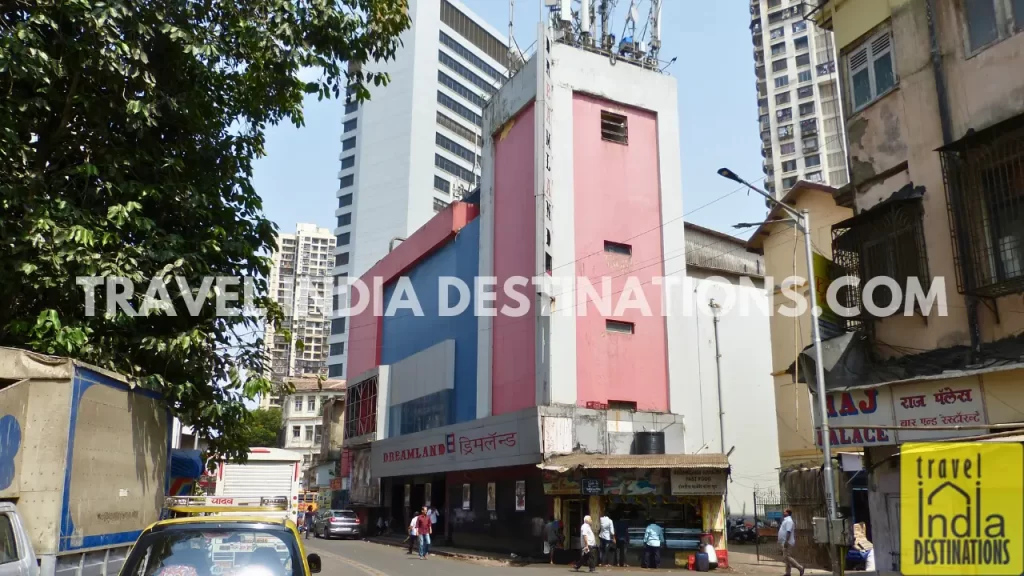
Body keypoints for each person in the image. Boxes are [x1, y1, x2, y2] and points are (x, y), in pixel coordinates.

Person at [778, 509, 804, 576]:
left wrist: (786, 541)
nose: (783, 512)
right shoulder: (786, 520)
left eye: (785, 512)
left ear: (788, 513)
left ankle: (800, 567)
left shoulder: (789, 521)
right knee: (786, 558)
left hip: (788, 541)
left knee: (787, 557)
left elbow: (788, 532)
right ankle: (788, 573)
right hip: (784, 541)